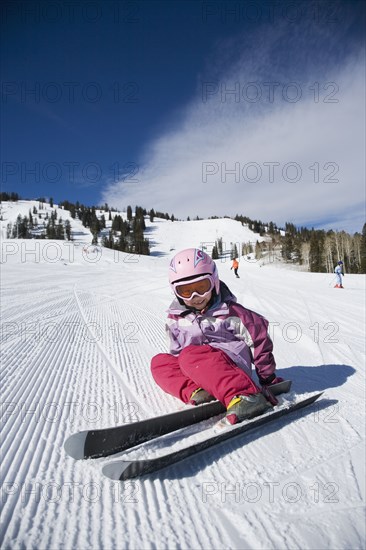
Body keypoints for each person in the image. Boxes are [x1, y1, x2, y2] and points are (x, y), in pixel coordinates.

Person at [151, 248, 283, 425]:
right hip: (198, 368)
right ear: (175, 292)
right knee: (159, 362)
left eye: (201, 287)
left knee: (190, 355)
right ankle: (200, 392)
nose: (195, 297)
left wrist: (267, 377)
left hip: (232, 369)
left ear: (214, 281)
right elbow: (177, 354)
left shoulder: (231, 312)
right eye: (186, 291)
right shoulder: (175, 320)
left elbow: (258, 336)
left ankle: (246, 396)